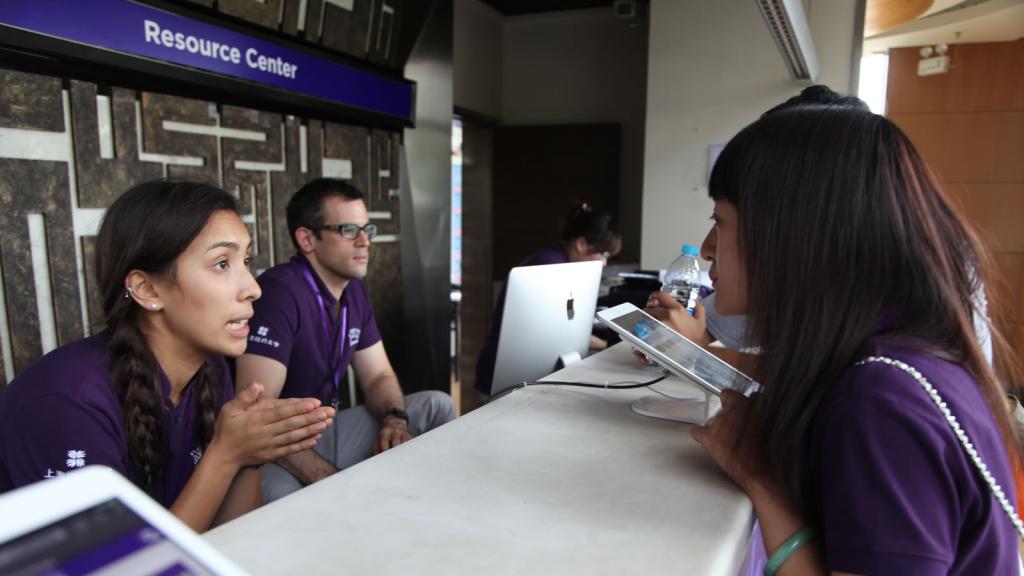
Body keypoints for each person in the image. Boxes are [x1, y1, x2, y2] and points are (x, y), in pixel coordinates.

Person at [685, 102, 1021, 573]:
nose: (705, 248)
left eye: (719, 221)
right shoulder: (905, 353)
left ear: (790, 236)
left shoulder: (881, 402)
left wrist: (760, 479)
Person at [0, 180, 334, 533]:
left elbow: (233, 536)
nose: (254, 288)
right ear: (147, 289)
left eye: (246, 260)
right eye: (222, 263)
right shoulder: (66, 403)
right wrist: (225, 455)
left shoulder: (211, 369)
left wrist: (251, 451)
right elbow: (124, 567)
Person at [235, 178, 456, 503]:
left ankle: (426, 506)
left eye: (367, 229)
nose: (364, 241)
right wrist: (328, 477)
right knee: (282, 496)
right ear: (307, 238)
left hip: (324, 428)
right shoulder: (279, 293)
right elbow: (257, 415)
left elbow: (378, 375)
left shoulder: (354, 291)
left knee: (438, 405)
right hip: (275, 447)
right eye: (349, 230)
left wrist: (395, 419)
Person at [474, 202, 623, 399]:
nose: (605, 262)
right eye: (603, 253)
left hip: (516, 369)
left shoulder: (558, 260)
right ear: (581, 244)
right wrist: (604, 345)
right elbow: (555, 332)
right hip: (505, 373)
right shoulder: (551, 266)